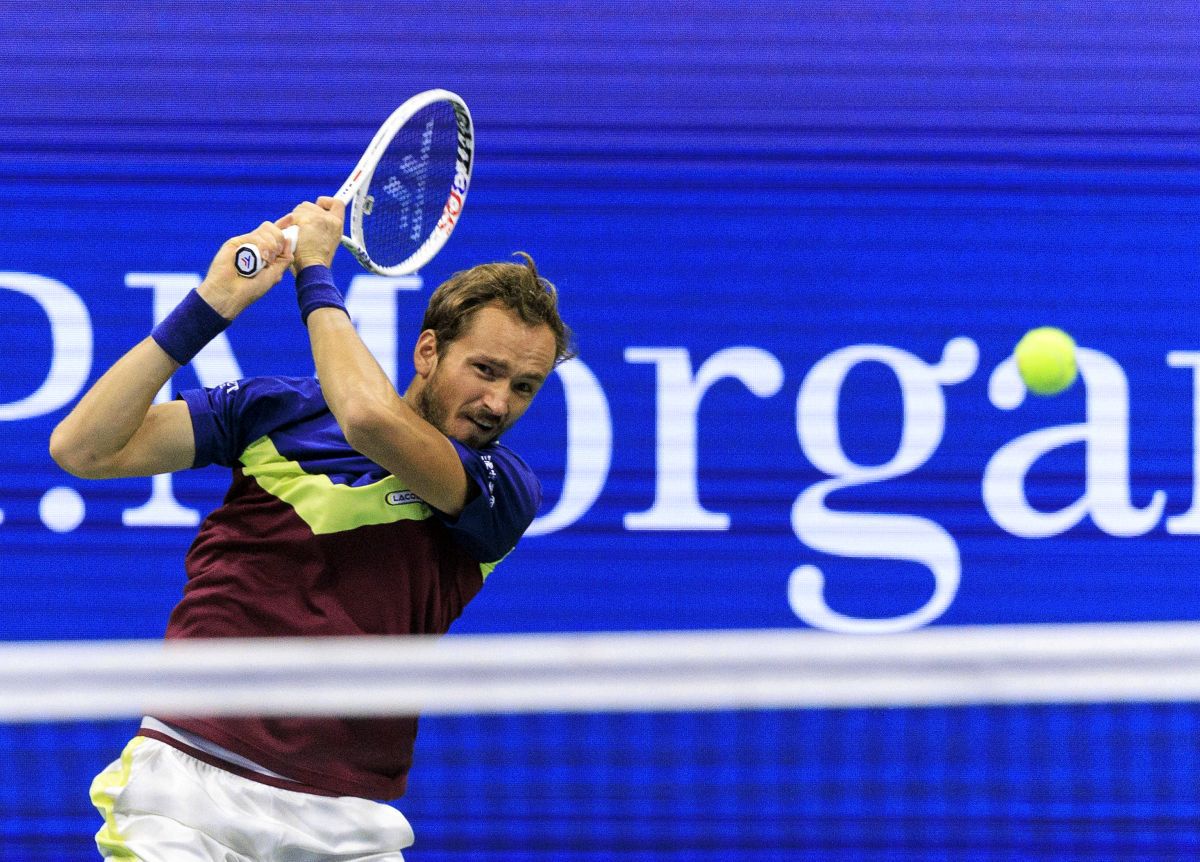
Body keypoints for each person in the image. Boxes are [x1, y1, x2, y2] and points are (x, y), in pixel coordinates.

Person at [49, 196, 574, 861]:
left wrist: (315, 270)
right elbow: (82, 449)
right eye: (486, 370)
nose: (499, 402)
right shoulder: (278, 411)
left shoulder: (501, 489)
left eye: (526, 387)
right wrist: (209, 307)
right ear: (428, 351)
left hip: (346, 824)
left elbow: (368, 419)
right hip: (186, 787)